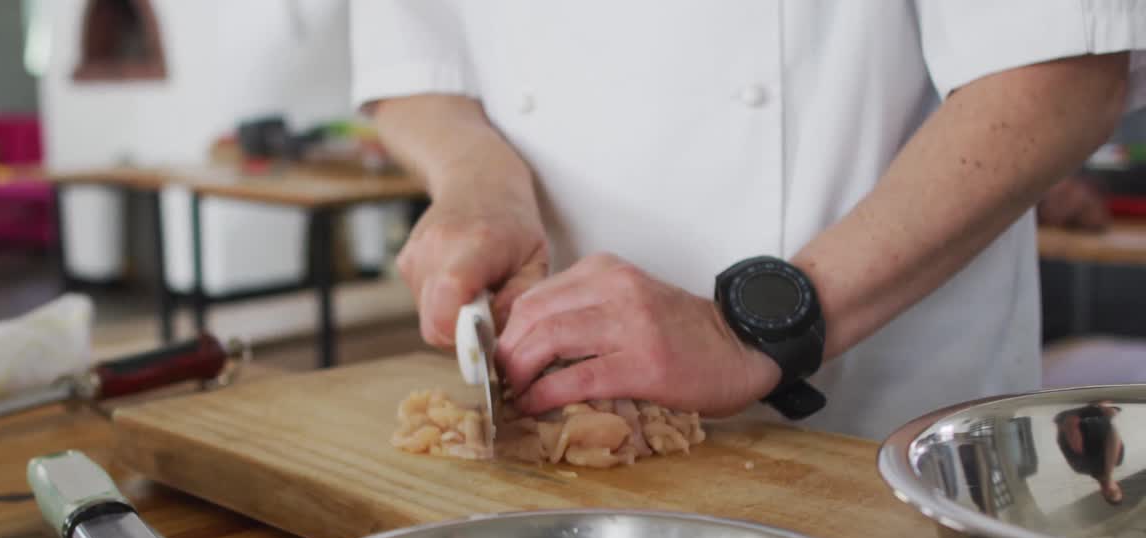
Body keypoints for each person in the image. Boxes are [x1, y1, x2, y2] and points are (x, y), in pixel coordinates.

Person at [351, 3, 1146, 440]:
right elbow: (415, 64)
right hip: (564, 433)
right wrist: (478, 178)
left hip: (878, 438)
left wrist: (758, 325)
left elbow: (1064, 67)